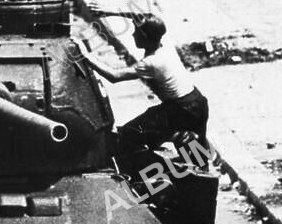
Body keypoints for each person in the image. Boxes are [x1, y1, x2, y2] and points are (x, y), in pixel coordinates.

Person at [76, 14, 209, 178]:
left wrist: (85, 55)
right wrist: (108, 11)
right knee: (198, 155)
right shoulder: (165, 47)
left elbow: (114, 76)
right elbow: (145, 14)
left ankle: (144, 176)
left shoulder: (151, 62)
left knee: (129, 134)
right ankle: (203, 182)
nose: (132, 35)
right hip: (197, 102)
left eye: (136, 32)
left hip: (179, 109)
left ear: (144, 37)